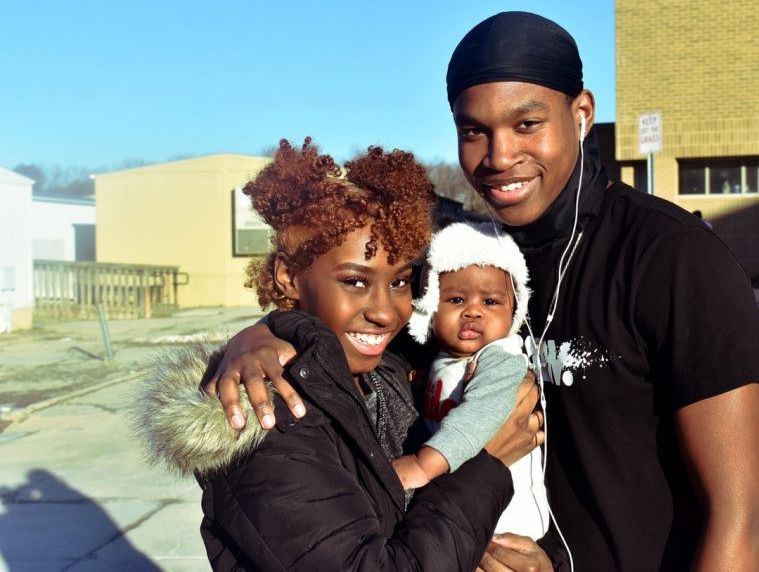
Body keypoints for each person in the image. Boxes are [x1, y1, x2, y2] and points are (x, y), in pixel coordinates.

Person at [206, 13, 759, 571]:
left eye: (527, 124)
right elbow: (355, 325)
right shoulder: (463, 262)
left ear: (581, 113)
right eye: (473, 130)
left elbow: (740, 519)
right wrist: (261, 334)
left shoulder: (674, 259)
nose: (500, 156)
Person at [135, 138, 544, 570]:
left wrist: (262, 331)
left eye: (401, 281)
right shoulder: (265, 419)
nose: (386, 312)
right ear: (288, 277)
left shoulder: (385, 365)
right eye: (355, 281)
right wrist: (485, 464)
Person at [392, 221, 550, 539]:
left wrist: (422, 466)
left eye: (490, 302)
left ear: (514, 310)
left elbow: (479, 417)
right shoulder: (444, 359)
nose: (473, 312)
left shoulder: (500, 359)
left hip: (506, 517)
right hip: (463, 509)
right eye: (456, 301)